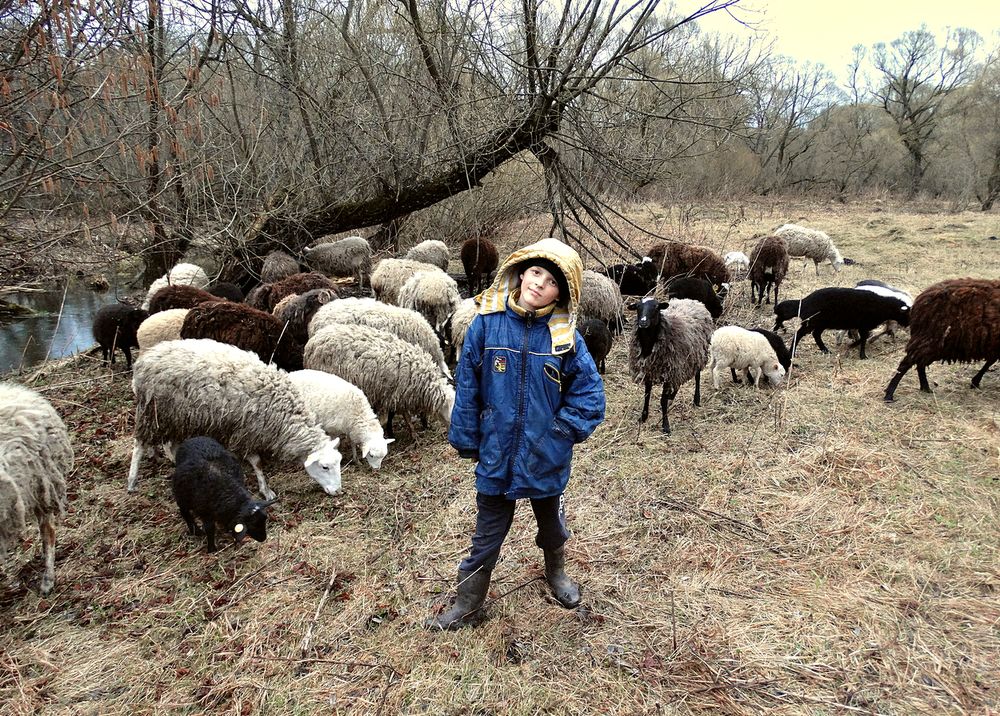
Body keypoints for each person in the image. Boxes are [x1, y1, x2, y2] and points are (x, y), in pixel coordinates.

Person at [427, 237, 606, 630]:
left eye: (552, 281)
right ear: (521, 272)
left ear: (563, 293)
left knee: (552, 525)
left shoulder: (565, 338)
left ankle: (556, 573)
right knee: (486, 534)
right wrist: (467, 437)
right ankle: (468, 603)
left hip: (546, 455)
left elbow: (590, 396)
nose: (540, 283)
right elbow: (468, 384)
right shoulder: (486, 325)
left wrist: (558, 434)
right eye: (536, 272)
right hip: (498, 451)